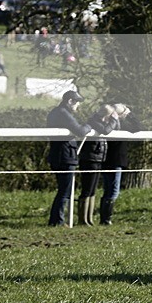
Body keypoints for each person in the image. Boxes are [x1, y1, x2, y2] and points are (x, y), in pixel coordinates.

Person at [46, 90, 92, 226]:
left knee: (63, 190)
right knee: (65, 191)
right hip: (65, 155)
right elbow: (80, 131)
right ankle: (57, 221)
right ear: (70, 101)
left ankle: (57, 220)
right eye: (77, 102)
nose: (78, 106)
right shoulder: (64, 114)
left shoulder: (56, 112)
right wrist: (90, 125)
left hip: (58, 154)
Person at [100, 104, 143, 224]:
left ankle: (104, 218)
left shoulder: (106, 123)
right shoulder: (121, 125)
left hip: (106, 160)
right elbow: (139, 127)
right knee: (113, 191)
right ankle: (106, 219)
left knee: (108, 190)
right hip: (116, 160)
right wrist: (129, 114)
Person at [78, 104, 119, 225]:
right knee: (87, 189)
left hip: (98, 158)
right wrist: (114, 120)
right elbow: (106, 131)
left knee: (93, 190)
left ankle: (88, 219)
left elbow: (115, 128)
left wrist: (115, 121)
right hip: (90, 158)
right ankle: (82, 219)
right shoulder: (94, 121)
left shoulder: (100, 121)